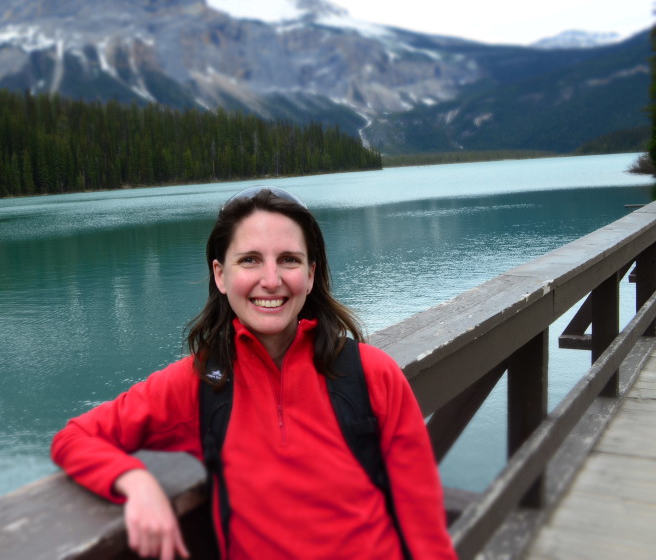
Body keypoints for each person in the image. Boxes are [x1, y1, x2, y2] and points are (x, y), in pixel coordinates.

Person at [51, 187, 457, 559]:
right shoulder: (199, 383)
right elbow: (76, 437)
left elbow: (423, 522)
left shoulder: (372, 374)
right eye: (250, 260)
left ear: (310, 275)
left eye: (289, 260)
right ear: (220, 275)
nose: (271, 280)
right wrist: (136, 483)